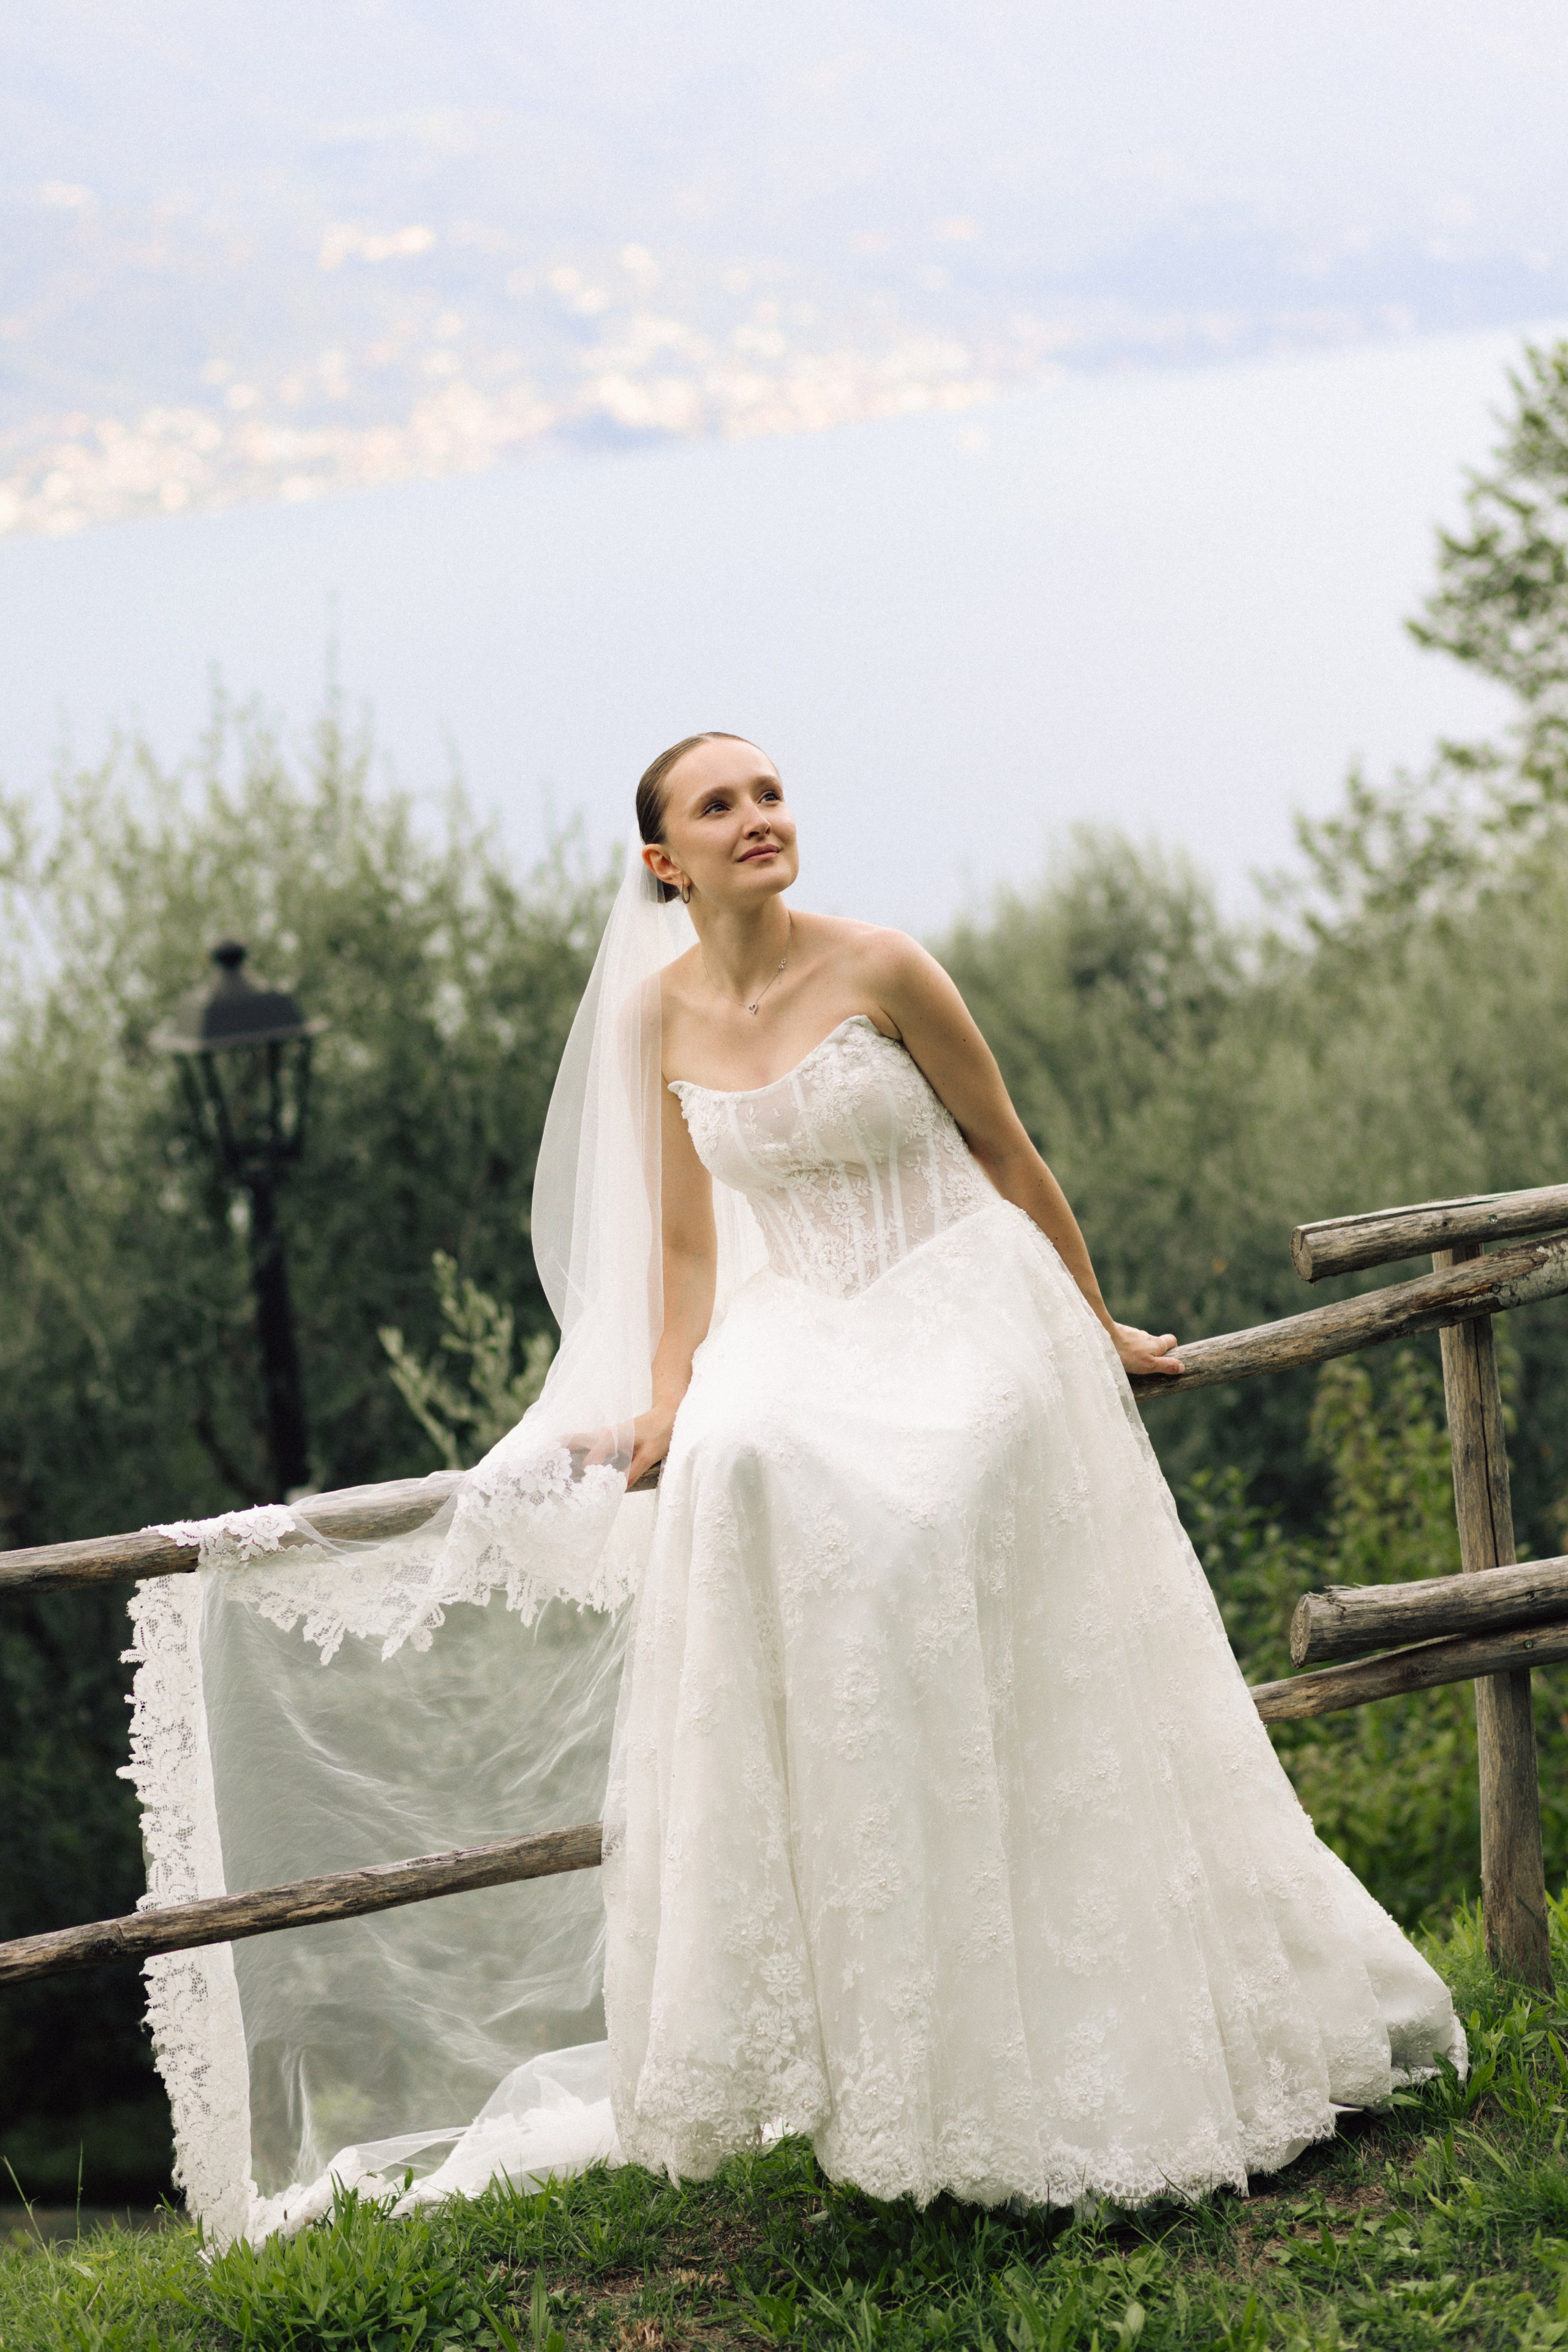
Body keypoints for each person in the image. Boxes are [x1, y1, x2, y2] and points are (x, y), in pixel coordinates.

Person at [130, 732, 1462, 2245]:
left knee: (919, 1506)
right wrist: (672, 1394)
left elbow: (1007, 1158)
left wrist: (1095, 1328)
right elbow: (690, 1245)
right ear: (663, 860)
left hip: (961, 1298)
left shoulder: (884, 965)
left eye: (768, 794)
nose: (758, 819)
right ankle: (883, 1984)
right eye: (720, 806)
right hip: (804, 1323)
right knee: (744, 1464)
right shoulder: (656, 1016)